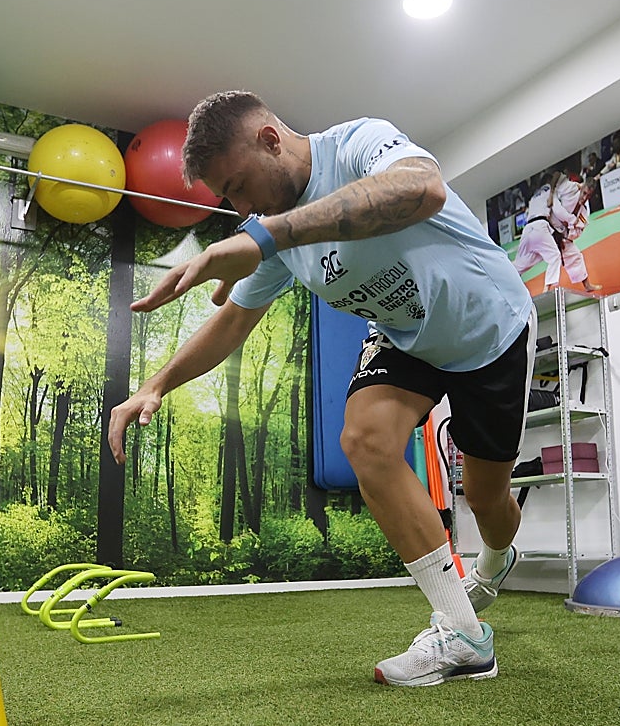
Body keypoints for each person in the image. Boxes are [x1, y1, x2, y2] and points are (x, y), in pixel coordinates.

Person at [108, 91, 535, 687]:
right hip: (406, 338)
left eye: (238, 185)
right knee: (365, 439)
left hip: (487, 330)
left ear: (270, 139)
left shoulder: (358, 145)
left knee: (488, 500)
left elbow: (423, 189)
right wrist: (154, 385)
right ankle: (463, 632)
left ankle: (494, 559)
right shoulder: (271, 231)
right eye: (229, 198)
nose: (241, 207)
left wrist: (266, 237)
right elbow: (231, 322)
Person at [512, 171, 600, 293]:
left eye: (588, 196)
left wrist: (569, 231)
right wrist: (571, 219)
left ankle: (587, 285)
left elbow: (578, 231)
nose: (585, 198)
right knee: (552, 257)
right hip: (546, 229)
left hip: (556, 234)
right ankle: (546, 290)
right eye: (584, 193)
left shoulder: (583, 210)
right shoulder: (566, 188)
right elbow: (557, 177)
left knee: (575, 255)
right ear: (582, 186)